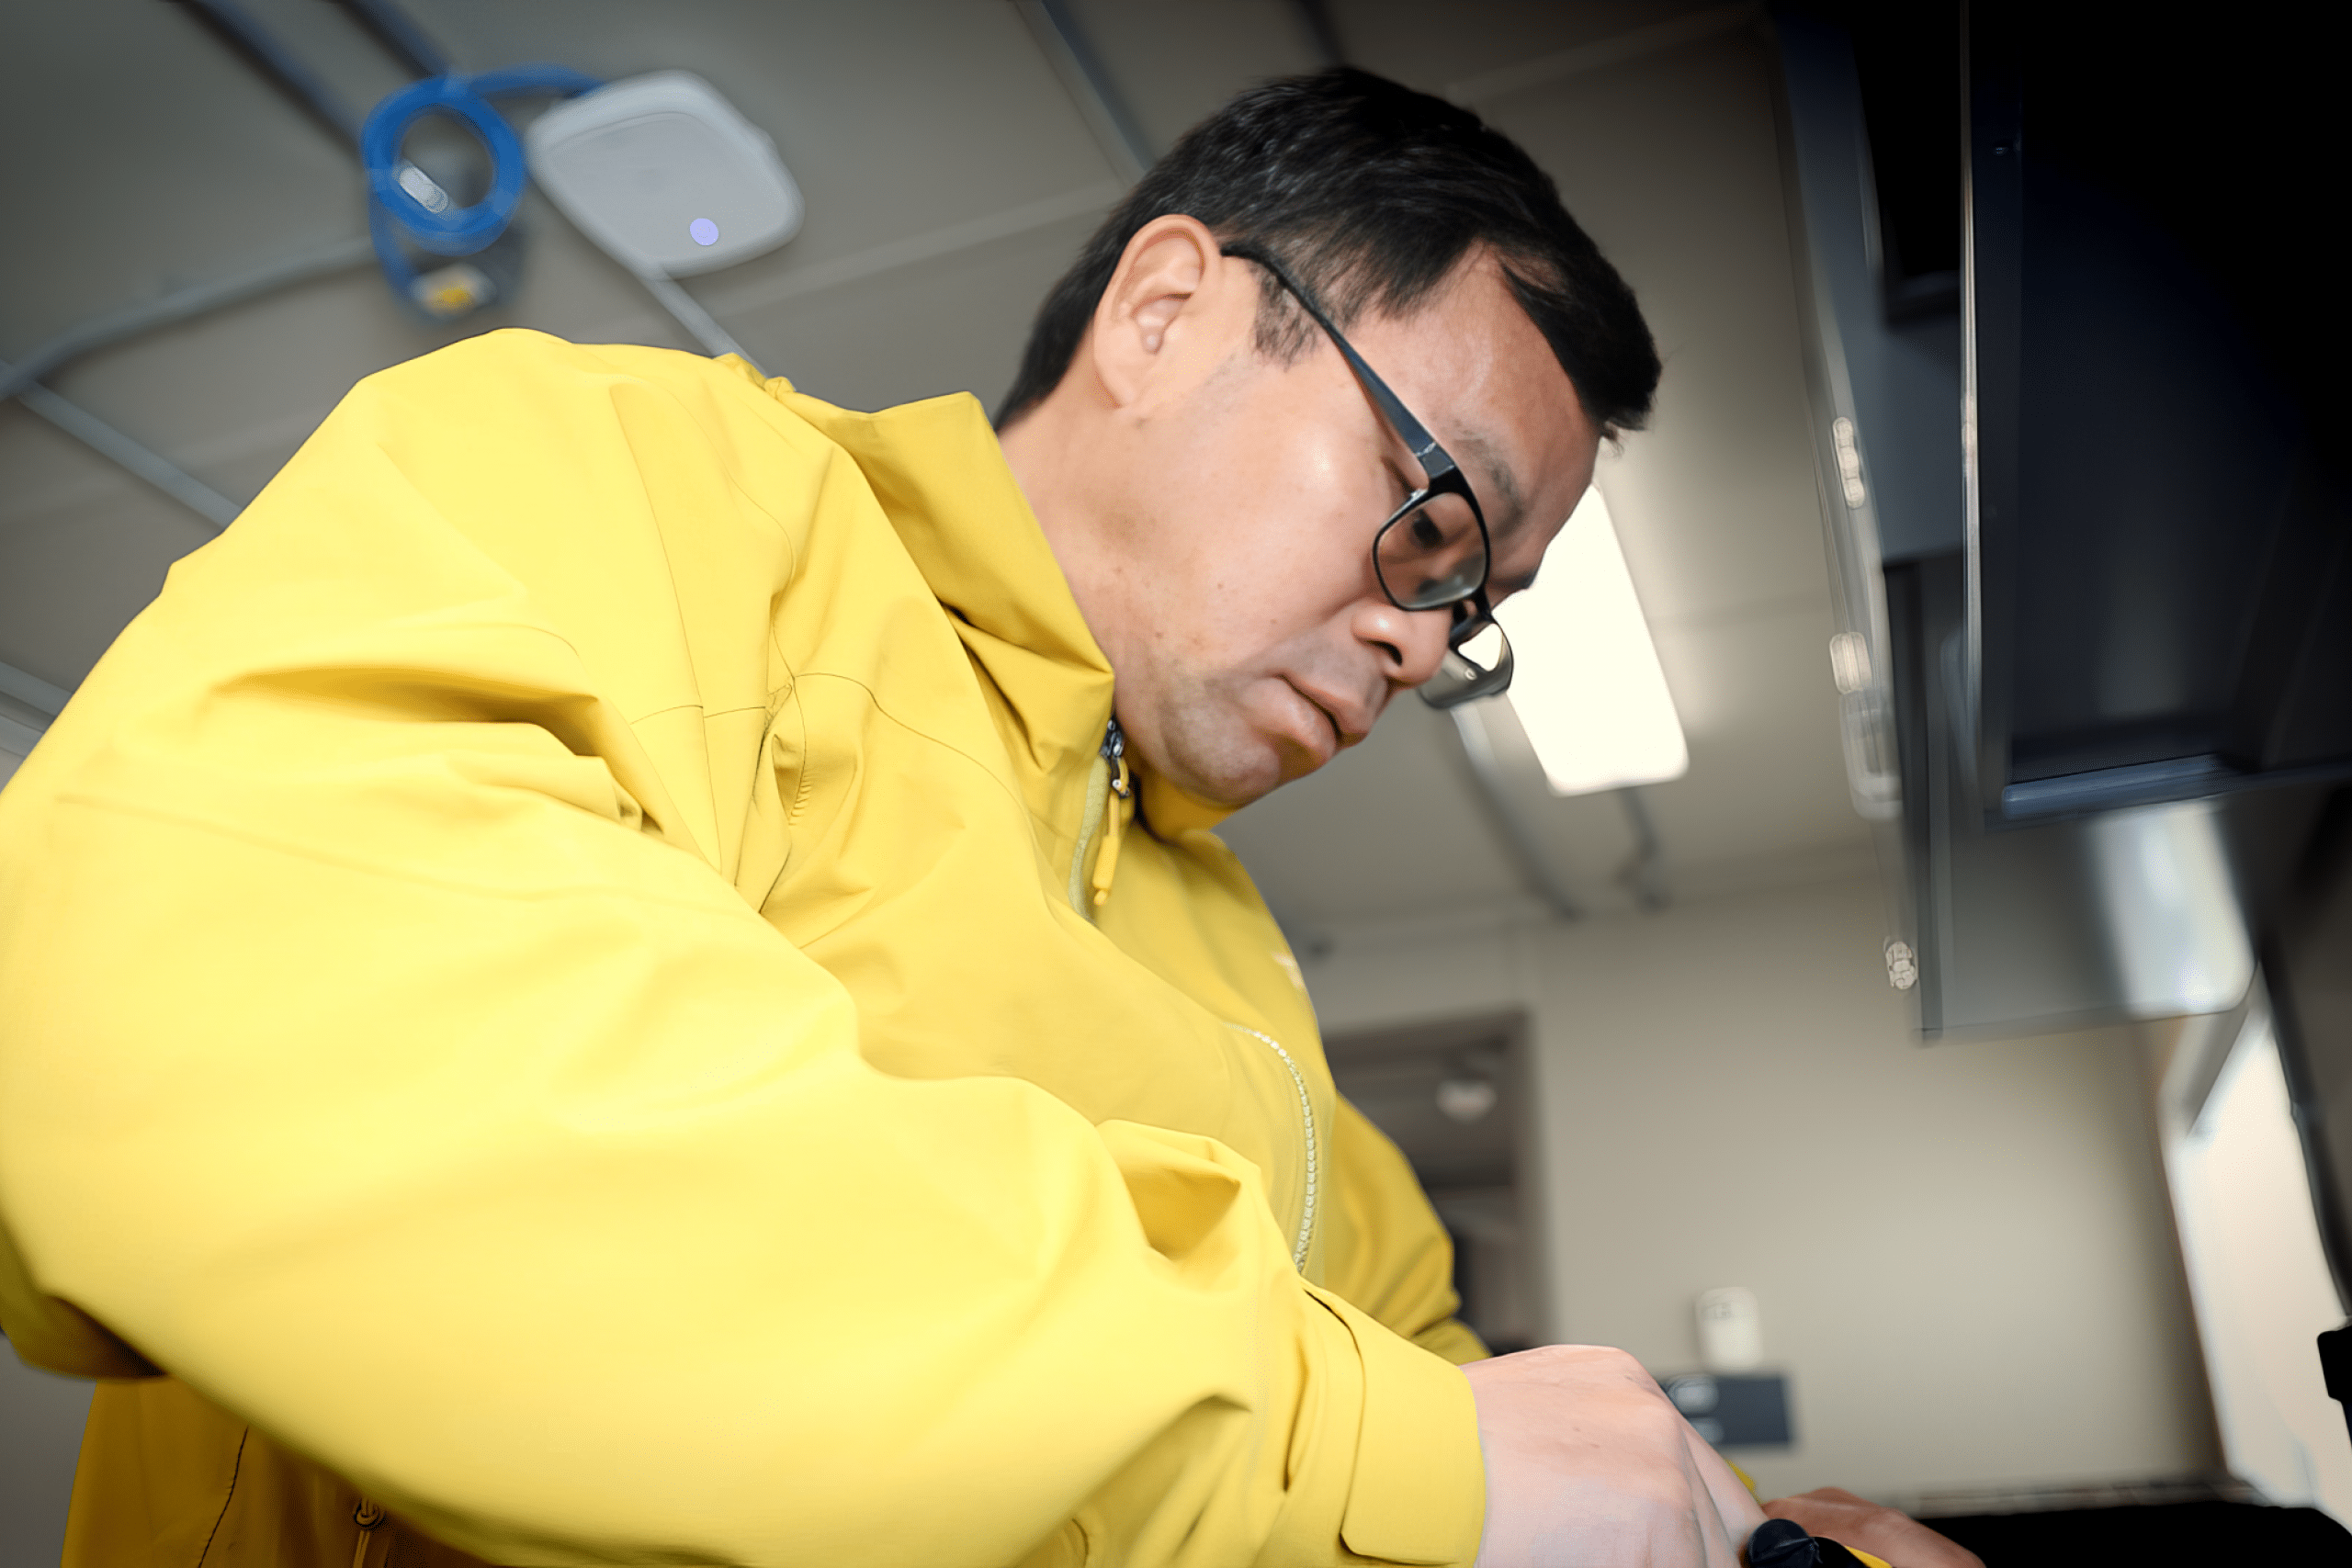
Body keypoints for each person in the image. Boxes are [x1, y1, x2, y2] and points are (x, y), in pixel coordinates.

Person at [0, 68, 1973, 1568]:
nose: (1416, 635)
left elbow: (1449, 1410)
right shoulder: (657, 486)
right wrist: (1356, 1463)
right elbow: (239, 1027)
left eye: (1472, 611)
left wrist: (1736, 1534)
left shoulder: (1249, 1002)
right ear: (1166, 312)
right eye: (1427, 519)